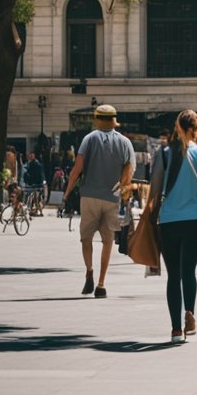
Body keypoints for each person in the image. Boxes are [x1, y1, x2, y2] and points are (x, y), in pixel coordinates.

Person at [150, 109, 197, 344]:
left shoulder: (165, 154)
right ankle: (190, 312)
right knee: (189, 271)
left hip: (169, 221)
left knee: (174, 275)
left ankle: (175, 329)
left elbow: (155, 190)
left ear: (177, 127)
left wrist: (150, 217)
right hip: (194, 221)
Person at [62, 104, 135, 298]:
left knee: (86, 238)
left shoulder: (89, 139)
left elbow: (77, 169)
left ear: (97, 120)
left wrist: (67, 192)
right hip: (112, 198)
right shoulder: (125, 142)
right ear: (113, 120)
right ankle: (101, 284)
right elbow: (129, 172)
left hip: (89, 197)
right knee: (107, 241)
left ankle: (89, 270)